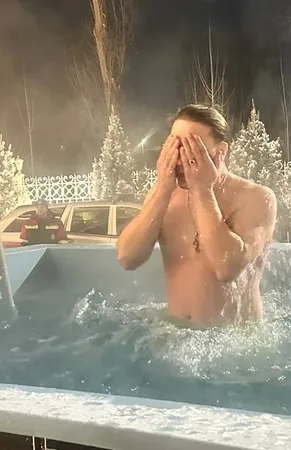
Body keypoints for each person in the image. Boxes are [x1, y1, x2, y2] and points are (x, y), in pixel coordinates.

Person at [116, 104, 278, 327]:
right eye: (176, 147)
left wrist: (202, 190)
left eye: (193, 150)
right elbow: (127, 258)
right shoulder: (164, 195)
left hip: (235, 335)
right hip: (177, 333)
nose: (181, 160)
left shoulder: (256, 197)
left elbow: (227, 268)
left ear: (221, 152)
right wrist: (162, 190)